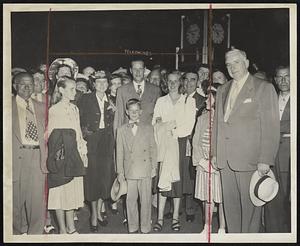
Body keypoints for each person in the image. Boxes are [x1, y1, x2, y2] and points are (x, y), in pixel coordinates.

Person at [212, 48, 280, 233]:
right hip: (225, 160)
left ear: (247, 63)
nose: (232, 67)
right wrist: (215, 153)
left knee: (250, 215)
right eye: (228, 64)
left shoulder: (263, 88)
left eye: (236, 62)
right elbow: (217, 124)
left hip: (250, 161)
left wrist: (265, 158)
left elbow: (271, 127)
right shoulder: (222, 90)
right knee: (231, 210)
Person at [152, 71, 196, 232]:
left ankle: (176, 217)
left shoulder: (188, 101)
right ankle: (160, 218)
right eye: (169, 81)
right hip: (163, 144)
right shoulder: (161, 101)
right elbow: (155, 121)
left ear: (180, 83)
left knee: (177, 182)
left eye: (175, 81)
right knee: (163, 181)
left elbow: (188, 125)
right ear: (166, 83)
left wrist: (170, 129)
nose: (172, 84)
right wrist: (165, 127)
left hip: (180, 143)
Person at [47, 76, 87, 234]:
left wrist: (83, 151)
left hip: (75, 155)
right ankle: (62, 230)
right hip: (62, 157)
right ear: (61, 90)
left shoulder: (74, 108)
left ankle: (71, 228)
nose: (74, 92)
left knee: (72, 192)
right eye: (71, 89)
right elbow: (52, 136)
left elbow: (78, 133)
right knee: (60, 192)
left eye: (75, 88)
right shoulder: (54, 110)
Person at [77, 72, 116, 232]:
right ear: (93, 84)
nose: (101, 85)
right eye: (98, 82)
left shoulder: (112, 100)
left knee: (104, 178)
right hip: (92, 143)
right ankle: (93, 214)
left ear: (108, 84)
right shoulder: (86, 99)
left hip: (106, 143)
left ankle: (100, 211)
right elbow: (78, 120)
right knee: (93, 178)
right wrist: (86, 134)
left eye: (104, 82)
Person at [12, 72, 48, 234]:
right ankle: (16, 235)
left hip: (38, 158)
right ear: (15, 86)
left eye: (30, 84)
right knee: (14, 203)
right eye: (23, 84)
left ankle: (35, 236)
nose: (27, 88)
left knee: (37, 204)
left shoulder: (41, 107)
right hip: (16, 158)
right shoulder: (7, 106)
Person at [116, 98, 157, 233]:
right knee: (130, 200)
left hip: (145, 169)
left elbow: (153, 148)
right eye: (131, 110)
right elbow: (119, 153)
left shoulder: (148, 128)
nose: (134, 113)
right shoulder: (121, 130)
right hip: (130, 170)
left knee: (145, 201)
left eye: (136, 110)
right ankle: (132, 227)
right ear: (127, 112)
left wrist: (153, 167)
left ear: (141, 112)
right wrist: (120, 173)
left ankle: (145, 228)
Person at [193, 86, 226, 234]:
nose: (206, 99)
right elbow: (195, 142)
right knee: (207, 198)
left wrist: (217, 161)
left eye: (209, 97)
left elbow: (226, 143)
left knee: (221, 198)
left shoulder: (225, 119)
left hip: (219, 164)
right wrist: (202, 162)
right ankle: (207, 226)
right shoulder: (202, 118)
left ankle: (222, 228)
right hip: (204, 163)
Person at [264, 65, 291, 232]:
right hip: (273, 156)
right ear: (274, 80)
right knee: (272, 196)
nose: (283, 80)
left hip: (290, 155)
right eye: (279, 77)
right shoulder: (270, 100)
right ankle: (274, 234)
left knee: (291, 198)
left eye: (287, 76)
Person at [182, 70, 206, 223]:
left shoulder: (203, 100)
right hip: (178, 140)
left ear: (197, 82)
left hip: (193, 142)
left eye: (193, 80)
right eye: (186, 79)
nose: (189, 82)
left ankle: (190, 209)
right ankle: (175, 208)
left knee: (191, 176)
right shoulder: (178, 98)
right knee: (179, 173)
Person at [113, 59, 161, 135]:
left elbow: (159, 117)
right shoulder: (122, 90)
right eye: (135, 69)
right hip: (129, 136)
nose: (138, 72)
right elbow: (119, 118)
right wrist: (118, 141)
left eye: (140, 69)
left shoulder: (155, 90)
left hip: (148, 136)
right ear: (131, 70)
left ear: (144, 70)